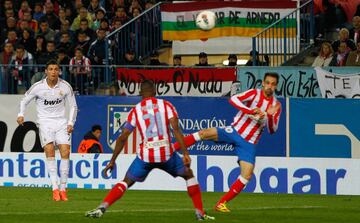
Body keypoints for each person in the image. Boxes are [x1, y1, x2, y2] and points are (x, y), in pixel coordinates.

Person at [85, 80, 214, 221]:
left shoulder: (136, 110)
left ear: (140, 94)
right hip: (166, 153)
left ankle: (102, 207)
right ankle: (199, 213)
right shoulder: (166, 105)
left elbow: (122, 138)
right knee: (188, 175)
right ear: (155, 92)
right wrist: (185, 153)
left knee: (126, 181)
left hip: (146, 155)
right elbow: (176, 130)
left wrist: (112, 161)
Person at [173, 72, 282, 212]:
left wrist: (270, 116)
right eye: (267, 83)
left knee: (247, 174)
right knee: (203, 133)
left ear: (276, 86)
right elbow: (233, 99)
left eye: (273, 84)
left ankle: (221, 203)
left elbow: (273, 130)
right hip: (235, 131)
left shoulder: (276, 105)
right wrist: (249, 111)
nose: (269, 86)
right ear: (263, 83)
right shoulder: (254, 94)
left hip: (249, 143)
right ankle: (171, 149)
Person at [16, 59, 78, 202]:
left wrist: (70, 122)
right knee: (49, 151)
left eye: (56, 69)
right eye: (50, 69)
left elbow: (73, 106)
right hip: (44, 122)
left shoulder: (65, 86)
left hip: (61, 122)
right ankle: (55, 188)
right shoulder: (38, 87)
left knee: (65, 151)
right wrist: (20, 114)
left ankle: (63, 189)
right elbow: (24, 100)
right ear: (46, 71)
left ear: (59, 71)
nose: (53, 72)